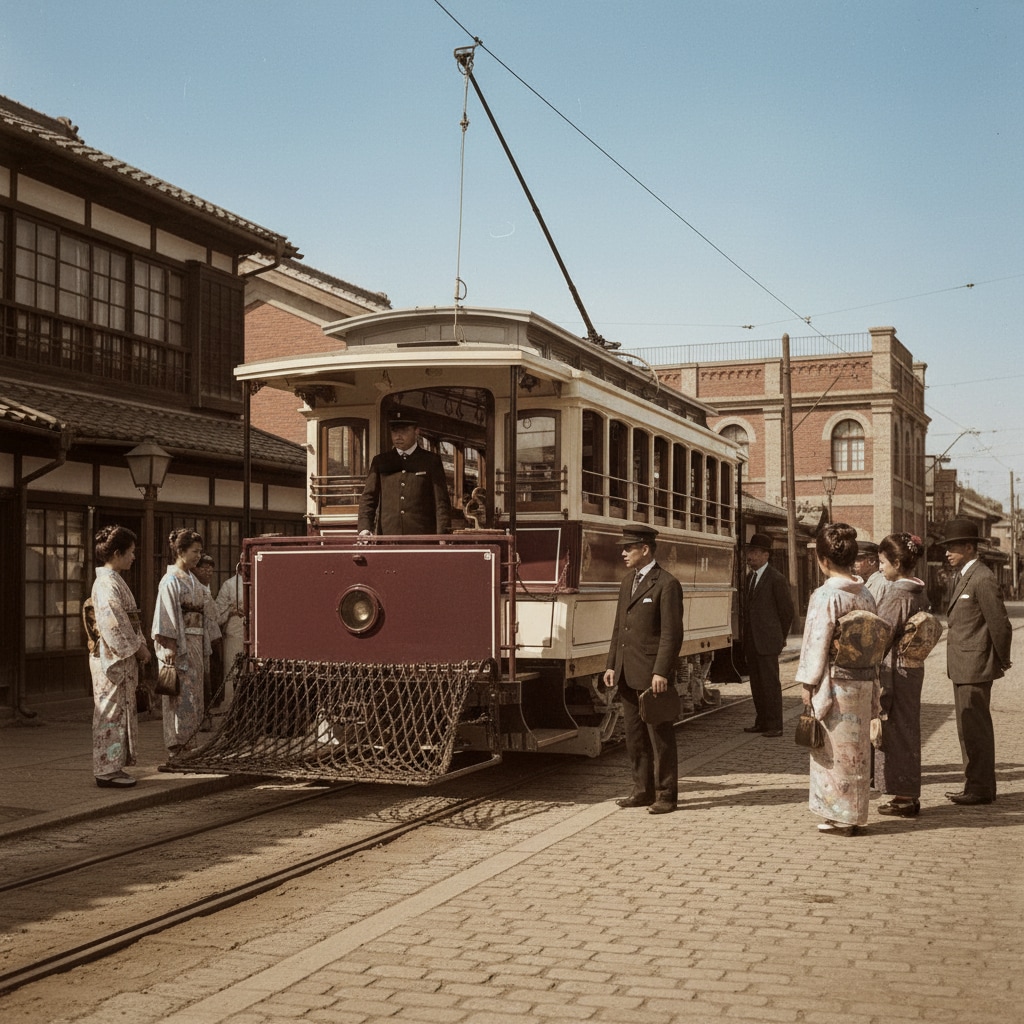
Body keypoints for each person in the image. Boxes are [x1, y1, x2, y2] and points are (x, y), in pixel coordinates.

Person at [795, 523, 880, 836]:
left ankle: (841, 816)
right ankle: (854, 813)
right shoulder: (866, 594)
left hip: (835, 682)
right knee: (857, 751)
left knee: (832, 751)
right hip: (864, 679)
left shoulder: (826, 595)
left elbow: (816, 641)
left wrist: (808, 683)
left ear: (824, 560)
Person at [603, 524, 684, 814]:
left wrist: (661, 671)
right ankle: (642, 790)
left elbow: (672, 634)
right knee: (634, 736)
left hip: (652, 675)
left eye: (629, 548)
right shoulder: (628, 582)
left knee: (659, 736)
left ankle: (666, 795)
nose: (624, 553)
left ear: (645, 549)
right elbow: (619, 628)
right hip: (627, 671)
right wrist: (612, 664)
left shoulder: (667, 584)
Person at [940, 518, 1013, 806]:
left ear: (970, 548)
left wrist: (1001, 659)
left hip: (975, 666)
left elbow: (1000, 623)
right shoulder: (963, 576)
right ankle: (975, 784)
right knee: (967, 728)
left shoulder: (982, 578)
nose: (948, 553)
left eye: (953, 547)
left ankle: (980, 788)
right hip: (963, 666)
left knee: (976, 728)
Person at [88, 525, 152, 788]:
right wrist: (138, 648)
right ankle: (106, 769)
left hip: (120, 655)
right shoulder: (106, 583)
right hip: (111, 656)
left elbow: (129, 621)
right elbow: (114, 624)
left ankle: (114, 766)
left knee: (118, 712)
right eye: (131, 552)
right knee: (110, 712)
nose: (133, 557)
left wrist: (139, 644)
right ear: (117, 553)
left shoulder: (113, 580)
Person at [872, 533, 930, 817]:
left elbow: (880, 634)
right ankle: (905, 793)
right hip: (912, 668)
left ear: (896, 562)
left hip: (895, 669)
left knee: (896, 731)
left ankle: (905, 796)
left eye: (882, 562)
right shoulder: (918, 589)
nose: (880, 567)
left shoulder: (897, 593)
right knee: (907, 728)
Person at [152, 528, 206, 755]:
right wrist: (170, 645)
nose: (198, 556)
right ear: (181, 551)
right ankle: (177, 745)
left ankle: (190, 742)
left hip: (195, 640)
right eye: (194, 551)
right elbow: (166, 616)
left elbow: (207, 609)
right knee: (179, 694)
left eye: (200, 552)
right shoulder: (170, 580)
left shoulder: (193, 579)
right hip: (178, 643)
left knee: (193, 693)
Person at [357, 414, 452, 536]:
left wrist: (442, 535)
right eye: (395, 431)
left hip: (422, 538)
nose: (398, 436)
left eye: (404, 431)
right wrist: (365, 528)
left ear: (416, 431)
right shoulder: (381, 461)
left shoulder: (431, 461)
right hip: (388, 537)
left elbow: (441, 502)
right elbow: (368, 498)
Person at [742, 533, 794, 737]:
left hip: (768, 641)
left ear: (766, 555)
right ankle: (761, 721)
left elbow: (786, 612)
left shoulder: (776, 579)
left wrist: (779, 637)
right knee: (757, 683)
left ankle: (775, 725)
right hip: (752, 641)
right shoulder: (749, 578)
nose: (750, 557)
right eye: (749, 552)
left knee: (770, 684)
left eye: (754, 553)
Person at [193, 552, 222, 728]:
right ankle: (202, 717)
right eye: (204, 568)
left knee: (211, 678)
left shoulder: (206, 588)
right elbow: (213, 613)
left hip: (212, 638)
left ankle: (206, 714)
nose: (208, 572)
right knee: (203, 680)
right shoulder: (197, 588)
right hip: (199, 640)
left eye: (211, 569)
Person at [214, 554, 244, 704]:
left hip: (257, 636)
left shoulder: (263, 579)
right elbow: (217, 615)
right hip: (234, 634)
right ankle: (230, 704)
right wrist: (232, 611)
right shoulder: (229, 585)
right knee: (232, 670)